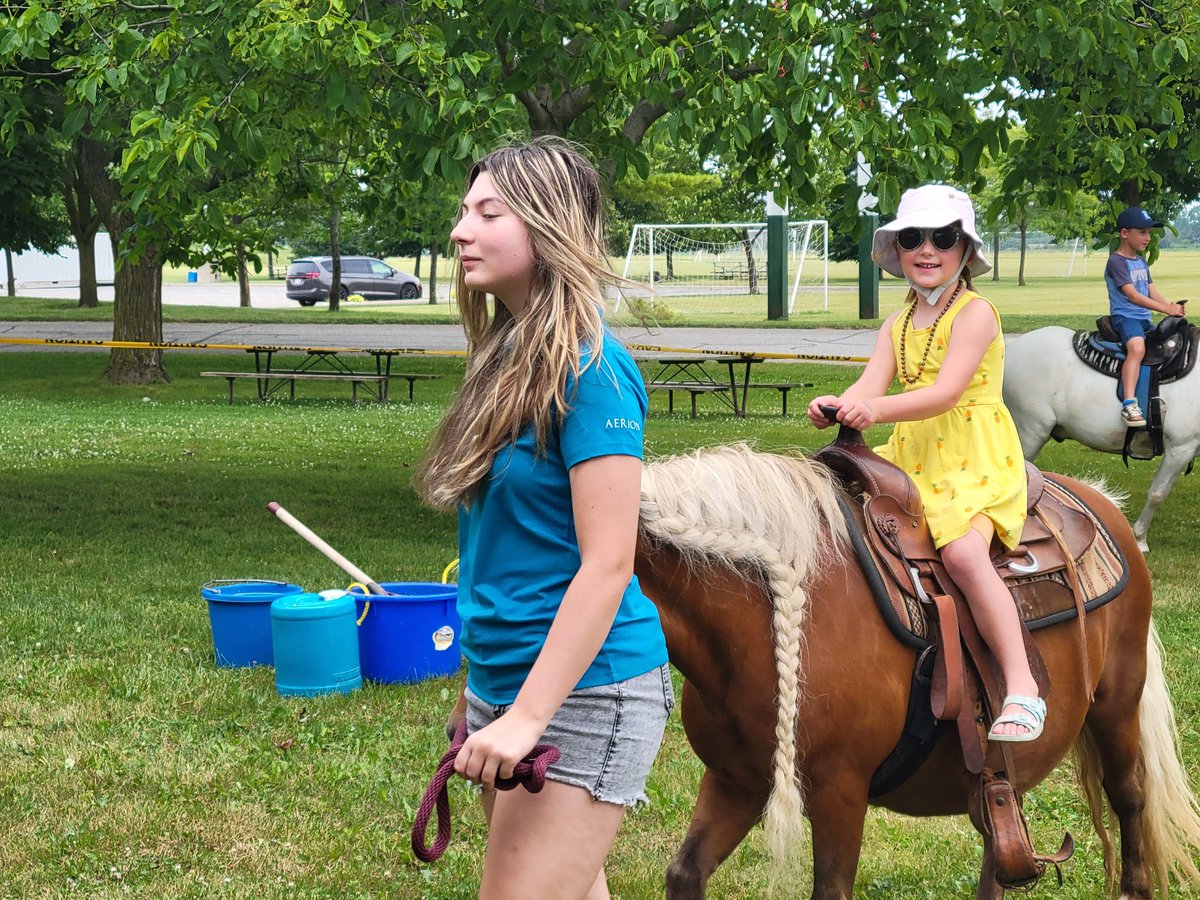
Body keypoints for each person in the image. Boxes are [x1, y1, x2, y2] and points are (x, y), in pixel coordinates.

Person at [414, 137, 672, 899]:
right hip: (506, 684)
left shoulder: (593, 371)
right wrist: (480, 693)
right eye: (464, 211)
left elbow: (608, 564)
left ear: (548, 223)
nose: (460, 230)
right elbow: (503, 551)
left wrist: (527, 718)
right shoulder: (505, 358)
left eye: (488, 213)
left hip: (587, 693)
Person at [807, 184, 1044, 743]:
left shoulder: (976, 313)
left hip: (973, 456)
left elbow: (946, 392)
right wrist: (840, 404)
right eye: (913, 237)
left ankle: (1022, 686)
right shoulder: (898, 322)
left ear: (965, 249)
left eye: (943, 237)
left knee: (962, 552)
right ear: (898, 249)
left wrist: (875, 410)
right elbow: (870, 384)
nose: (927, 249)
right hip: (914, 454)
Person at [1104, 206, 1187, 426]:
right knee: (1137, 349)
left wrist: (1170, 306)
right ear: (1124, 233)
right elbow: (1132, 295)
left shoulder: (1141, 261)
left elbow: (1151, 291)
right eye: (1142, 232)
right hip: (1125, 317)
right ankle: (1129, 404)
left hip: (1143, 319)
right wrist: (1166, 310)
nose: (1148, 237)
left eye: (1149, 232)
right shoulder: (1117, 261)